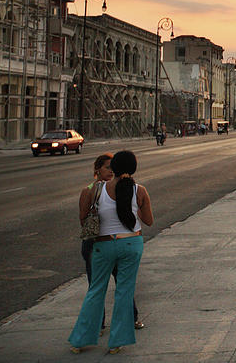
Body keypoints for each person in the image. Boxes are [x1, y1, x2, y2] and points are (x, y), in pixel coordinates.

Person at [69, 150, 153, 355]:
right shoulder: (139, 190)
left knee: (95, 290)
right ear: (133, 169)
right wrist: (132, 208)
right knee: (124, 292)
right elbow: (148, 221)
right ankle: (117, 342)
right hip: (131, 244)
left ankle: (80, 340)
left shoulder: (97, 189)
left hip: (103, 245)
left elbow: (83, 218)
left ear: (113, 168)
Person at [78, 154, 142, 334]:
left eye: (112, 168)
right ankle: (98, 324)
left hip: (117, 242)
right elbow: (83, 219)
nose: (111, 171)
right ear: (97, 169)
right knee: (97, 286)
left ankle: (132, 317)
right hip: (96, 244)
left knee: (123, 283)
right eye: (107, 168)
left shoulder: (121, 188)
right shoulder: (90, 190)